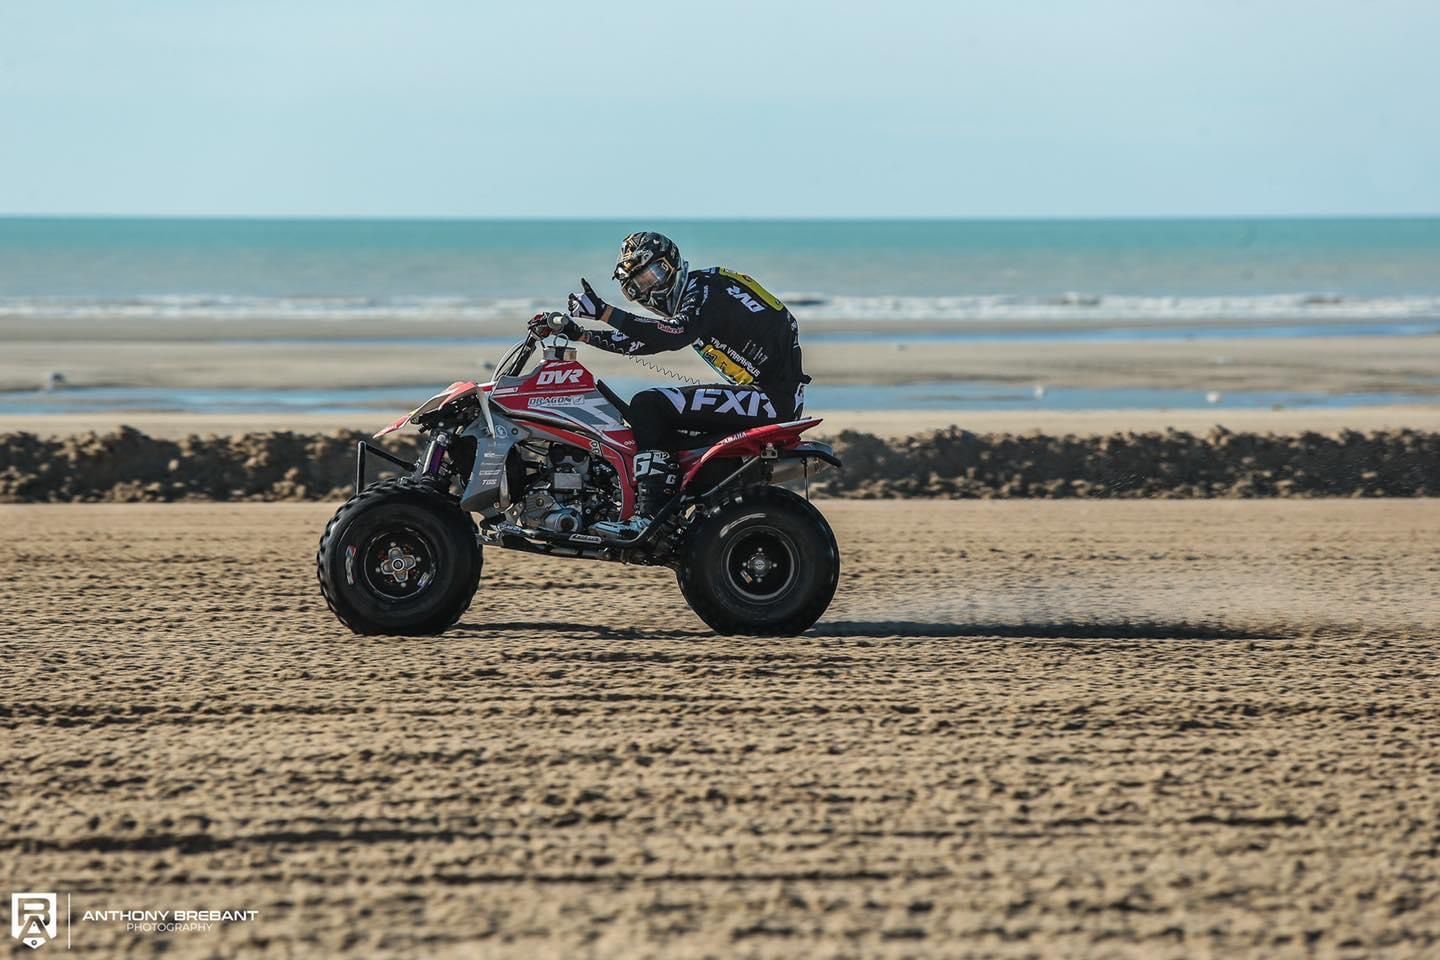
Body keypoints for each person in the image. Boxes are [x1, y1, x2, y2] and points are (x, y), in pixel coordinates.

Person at [529, 231, 808, 536]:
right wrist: (581, 334)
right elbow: (647, 341)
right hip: (768, 395)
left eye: (653, 275)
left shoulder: (705, 289)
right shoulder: (702, 291)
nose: (649, 289)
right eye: (638, 286)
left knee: (648, 405)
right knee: (649, 416)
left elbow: (673, 335)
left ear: (671, 264)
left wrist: (606, 313)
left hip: (772, 400)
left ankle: (649, 515)